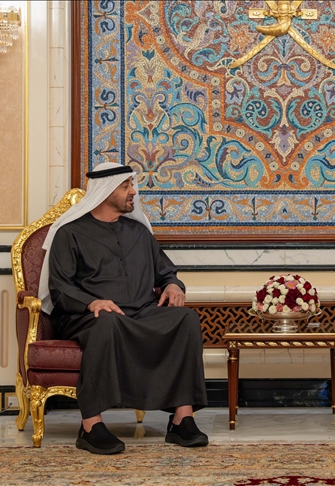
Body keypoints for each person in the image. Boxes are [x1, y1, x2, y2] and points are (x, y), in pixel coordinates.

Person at [38, 162, 208, 454]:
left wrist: (172, 285)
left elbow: (165, 272)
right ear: (105, 191)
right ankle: (91, 426)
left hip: (141, 312)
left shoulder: (139, 233)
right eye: (126, 186)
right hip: (87, 316)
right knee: (107, 321)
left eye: (132, 185)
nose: (133, 192)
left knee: (186, 319)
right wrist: (92, 302)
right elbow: (60, 287)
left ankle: (182, 419)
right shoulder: (70, 233)